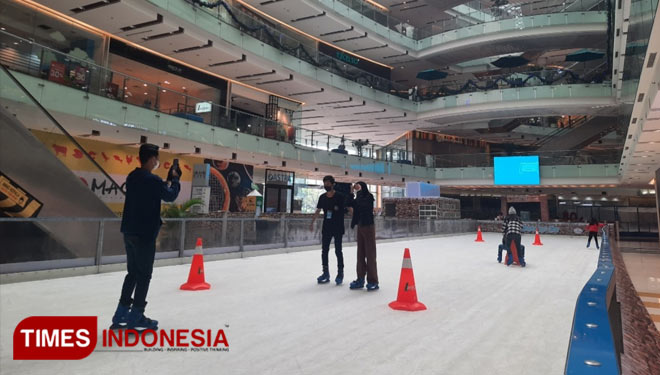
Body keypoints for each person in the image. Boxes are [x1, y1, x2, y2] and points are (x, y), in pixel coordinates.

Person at [111, 144, 181, 331]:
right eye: (156, 159)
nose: (157, 162)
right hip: (145, 234)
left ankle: (121, 313)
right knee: (144, 275)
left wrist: (165, 181)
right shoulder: (152, 180)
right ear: (151, 159)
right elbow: (170, 196)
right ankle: (137, 316)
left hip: (129, 232)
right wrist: (175, 181)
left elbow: (156, 190)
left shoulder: (132, 177)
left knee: (132, 273)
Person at [310, 176, 346, 285]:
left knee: (338, 251)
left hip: (338, 227)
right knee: (324, 250)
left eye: (328, 183)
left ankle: (340, 273)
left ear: (333, 184)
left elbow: (347, 208)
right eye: (325, 183)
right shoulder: (322, 197)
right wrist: (312, 222)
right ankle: (325, 273)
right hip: (327, 227)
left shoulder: (339, 196)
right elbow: (318, 210)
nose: (326, 185)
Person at [348, 182, 379, 291]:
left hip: (368, 226)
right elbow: (350, 204)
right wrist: (351, 193)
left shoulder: (368, 196)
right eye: (356, 187)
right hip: (360, 226)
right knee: (360, 254)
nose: (356, 188)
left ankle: (373, 280)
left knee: (370, 254)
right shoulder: (358, 197)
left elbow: (363, 206)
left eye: (358, 186)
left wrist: (357, 194)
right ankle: (360, 278)